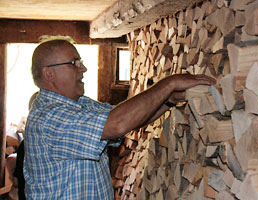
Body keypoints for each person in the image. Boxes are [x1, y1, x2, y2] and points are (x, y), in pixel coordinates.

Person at [23, 39, 215, 199]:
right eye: (75, 63)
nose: (84, 68)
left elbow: (130, 118)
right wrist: (169, 83)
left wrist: (168, 100)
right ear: (49, 74)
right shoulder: (48, 117)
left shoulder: (80, 104)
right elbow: (117, 124)